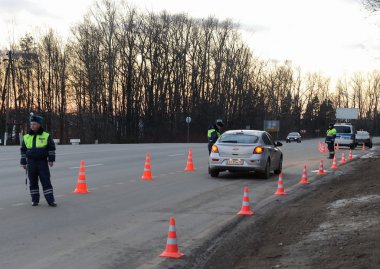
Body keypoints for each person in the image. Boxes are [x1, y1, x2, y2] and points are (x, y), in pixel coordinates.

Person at [20, 114, 57, 207]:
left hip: (42, 162)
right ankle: (35, 200)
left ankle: (50, 201)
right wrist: (23, 162)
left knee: (46, 181)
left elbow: (51, 148)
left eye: (34, 124)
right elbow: (23, 150)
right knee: (32, 182)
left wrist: (51, 160)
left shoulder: (46, 135)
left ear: (39, 124)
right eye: (31, 124)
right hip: (31, 162)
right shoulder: (26, 136)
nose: (32, 126)